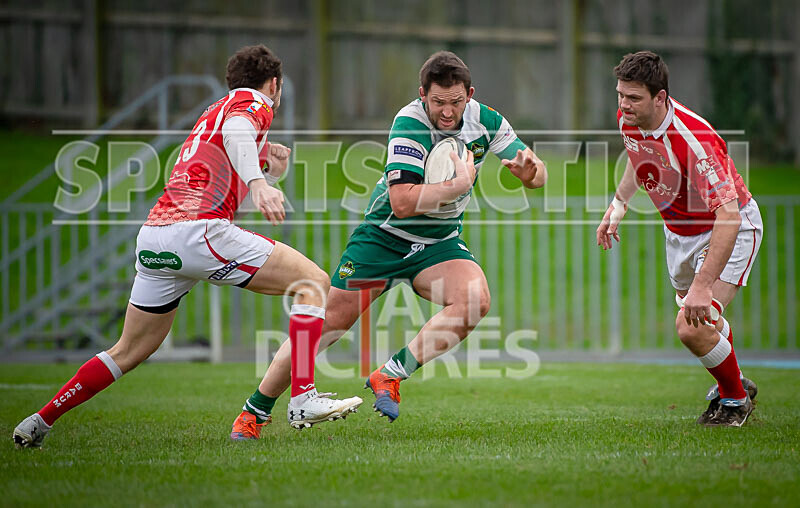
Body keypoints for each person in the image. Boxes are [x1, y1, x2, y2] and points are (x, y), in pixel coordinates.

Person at [13, 44, 361, 448]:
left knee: (129, 349)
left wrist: (267, 171)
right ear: (275, 84)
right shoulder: (254, 101)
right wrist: (261, 181)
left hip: (157, 237)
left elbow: (231, 200)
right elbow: (237, 136)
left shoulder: (210, 116)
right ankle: (302, 399)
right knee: (314, 282)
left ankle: (39, 421)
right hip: (196, 232)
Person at [230, 50, 547, 436]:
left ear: (471, 94)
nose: (448, 112)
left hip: (438, 242)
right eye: (438, 103)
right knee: (325, 327)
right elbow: (402, 201)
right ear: (422, 95)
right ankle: (254, 411)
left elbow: (536, 175)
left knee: (475, 300)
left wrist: (532, 172)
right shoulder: (409, 123)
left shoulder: (486, 121)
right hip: (384, 237)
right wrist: (459, 186)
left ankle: (390, 374)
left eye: (456, 102)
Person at [597, 51, 761, 426]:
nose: (624, 105)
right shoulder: (629, 118)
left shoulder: (693, 138)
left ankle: (735, 401)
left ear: (661, 97)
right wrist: (619, 204)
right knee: (705, 324)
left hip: (729, 229)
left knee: (691, 325)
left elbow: (729, 215)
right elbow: (640, 158)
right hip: (680, 233)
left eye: (633, 97)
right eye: (620, 95)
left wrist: (703, 285)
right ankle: (733, 384)